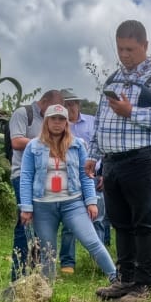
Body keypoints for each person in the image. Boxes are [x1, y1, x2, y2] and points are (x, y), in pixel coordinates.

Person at [86, 20, 151, 302]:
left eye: (130, 49)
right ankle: (124, 278)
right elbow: (101, 121)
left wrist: (132, 112)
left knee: (144, 223)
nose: (124, 54)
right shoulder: (112, 79)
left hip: (141, 159)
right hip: (112, 162)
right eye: (120, 48)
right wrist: (94, 154)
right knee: (120, 222)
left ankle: (144, 284)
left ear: (145, 46)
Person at [19, 104, 118, 282]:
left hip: (73, 203)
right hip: (43, 205)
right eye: (53, 119)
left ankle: (116, 278)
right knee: (48, 251)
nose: (57, 123)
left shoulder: (78, 145)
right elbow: (26, 177)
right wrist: (26, 207)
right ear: (46, 121)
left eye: (61, 119)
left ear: (66, 123)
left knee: (92, 241)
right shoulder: (33, 146)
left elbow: (86, 174)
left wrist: (91, 201)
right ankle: (46, 289)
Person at [8, 90, 64, 279]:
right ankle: (18, 275)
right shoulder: (23, 114)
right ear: (44, 101)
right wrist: (47, 142)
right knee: (25, 223)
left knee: (43, 226)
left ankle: (37, 274)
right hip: (22, 176)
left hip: (44, 178)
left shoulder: (49, 120)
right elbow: (16, 141)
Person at [56, 90, 96, 273]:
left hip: (93, 175)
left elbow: (99, 147)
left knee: (99, 217)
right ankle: (67, 262)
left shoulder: (92, 122)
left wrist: (97, 171)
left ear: (78, 104)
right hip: (68, 179)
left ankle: (96, 260)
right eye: (65, 104)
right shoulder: (59, 125)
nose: (69, 107)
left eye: (72, 103)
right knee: (69, 222)